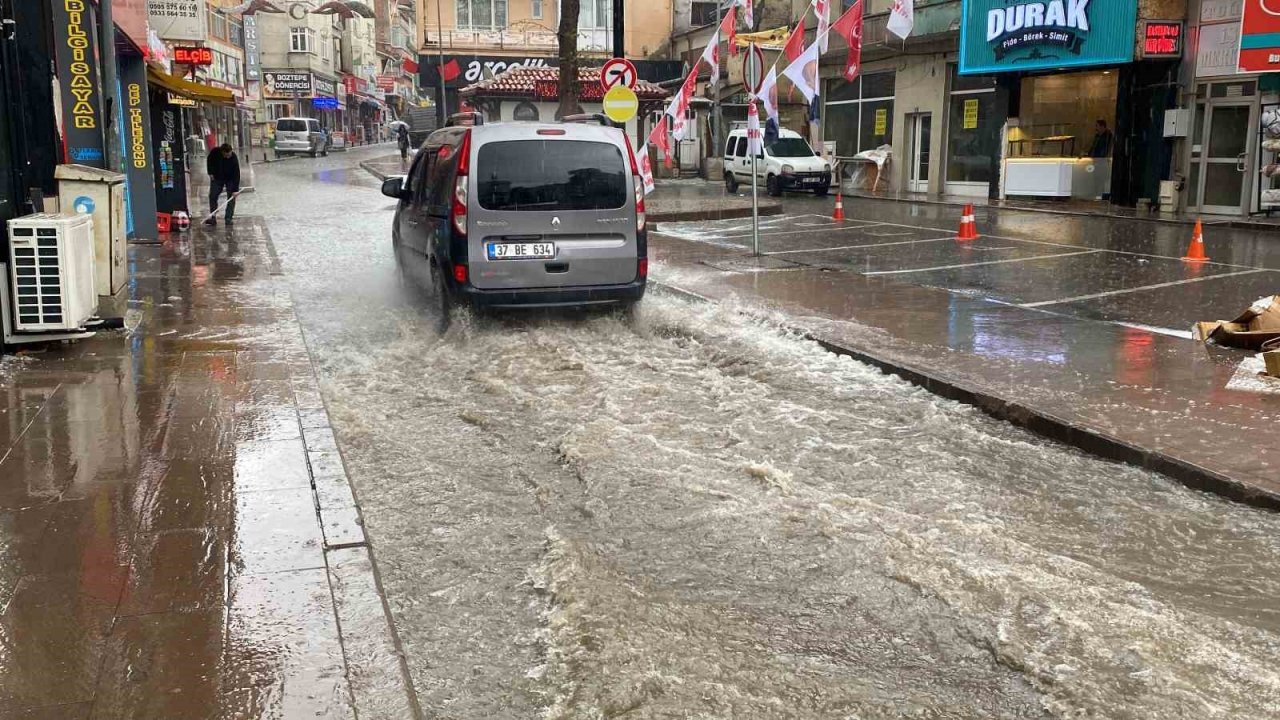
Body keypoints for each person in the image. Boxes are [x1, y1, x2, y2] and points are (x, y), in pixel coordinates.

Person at [205, 143, 240, 226]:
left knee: (231, 198)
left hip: (230, 179)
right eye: (226, 155)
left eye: (229, 154)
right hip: (217, 177)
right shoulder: (215, 152)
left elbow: (237, 174)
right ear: (222, 152)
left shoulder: (234, 158)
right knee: (212, 196)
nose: (228, 157)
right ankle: (213, 217)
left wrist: (235, 190)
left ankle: (228, 218)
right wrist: (210, 173)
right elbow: (209, 160)